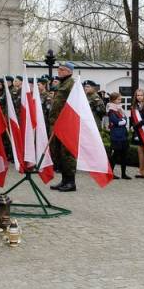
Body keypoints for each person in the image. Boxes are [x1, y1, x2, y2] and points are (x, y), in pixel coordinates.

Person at [49, 62, 77, 192]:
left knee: (67, 153)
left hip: (66, 124)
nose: (59, 71)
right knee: (59, 152)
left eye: (62, 70)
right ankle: (64, 180)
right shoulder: (61, 84)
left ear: (69, 72)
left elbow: (74, 104)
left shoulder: (71, 84)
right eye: (58, 69)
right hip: (57, 124)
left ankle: (71, 182)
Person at [107, 92, 131, 180]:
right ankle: (110, 173)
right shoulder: (111, 110)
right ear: (113, 100)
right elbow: (116, 122)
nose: (120, 101)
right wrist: (122, 121)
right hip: (116, 136)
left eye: (120, 99)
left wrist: (123, 121)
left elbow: (125, 119)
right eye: (118, 99)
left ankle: (124, 174)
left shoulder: (120, 109)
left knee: (124, 155)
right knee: (115, 155)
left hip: (123, 135)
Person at [130, 88, 144, 178]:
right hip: (137, 132)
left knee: (143, 151)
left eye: (141, 95)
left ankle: (143, 171)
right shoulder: (134, 106)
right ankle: (142, 171)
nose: (139, 97)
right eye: (138, 95)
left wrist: (135, 126)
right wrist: (132, 126)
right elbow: (132, 119)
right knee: (140, 152)